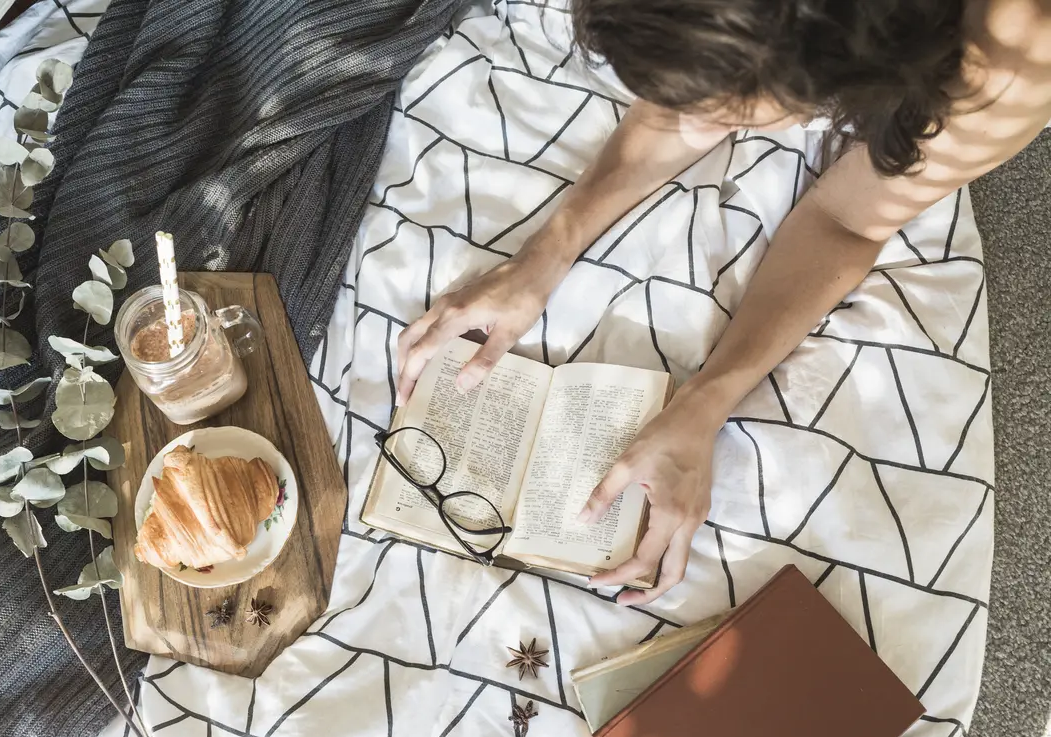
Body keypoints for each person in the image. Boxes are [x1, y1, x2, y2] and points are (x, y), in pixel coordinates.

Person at [395, 0, 1051, 604]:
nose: (685, 128)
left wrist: (708, 404)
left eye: (722, 113)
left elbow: (849, 222)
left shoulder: (1012, 56)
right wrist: (545, 252)